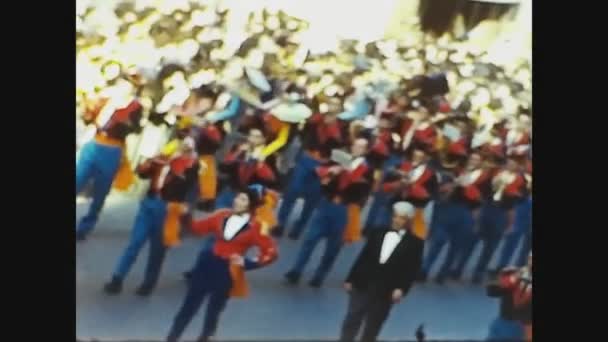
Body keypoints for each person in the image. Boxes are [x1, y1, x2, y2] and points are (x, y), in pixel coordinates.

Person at [166, 186, 278, 342]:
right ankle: (172, 337)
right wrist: (185, 215)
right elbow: (196, 228)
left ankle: (206, 336)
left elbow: (271, 252)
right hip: (207, 264)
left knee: (214, 309)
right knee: (188, 306)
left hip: (227, 271)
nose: (237, 201)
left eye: (243, 199)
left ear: (251, 205)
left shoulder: (258, 227)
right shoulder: (221, 215)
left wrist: (248, 262)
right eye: (238, 197)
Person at [104, 137, 200, 296]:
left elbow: (193, 190)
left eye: (188, 146)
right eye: (181, 142)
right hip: (149, 204)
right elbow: (142, 174)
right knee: (135, 243)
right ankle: (117, 279)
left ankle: (148, 283)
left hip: (168, 209)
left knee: (157, 251)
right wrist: (151, 161)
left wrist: (186, 207)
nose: (183, 147)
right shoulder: (162, 158)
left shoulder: (193, 166)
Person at [284, 137, 372, 287]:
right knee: (310, 239)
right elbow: (321, 172)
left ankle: (320, 275)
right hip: (327, 204)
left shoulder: (366, 169)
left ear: (366, 150)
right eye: (355, 145)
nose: (357, 149)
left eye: (361, 147)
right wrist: (329, 174)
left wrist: (347, 175)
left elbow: (364, 190)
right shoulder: (339, 160)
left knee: (333, 247)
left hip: (344, 208)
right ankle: (296, 270)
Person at [340, 201, 424, 342]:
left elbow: (411, 269)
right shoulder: (377, 232)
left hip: (387, 288)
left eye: (401, 218)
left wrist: (401, 288)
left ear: (408, 221)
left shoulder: (416, 243)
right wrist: (350, 278)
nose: (397, 220)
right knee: (353, 317)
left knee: (374, 323)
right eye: (395, 216)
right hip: (364, 282)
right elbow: (363, 256)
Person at [76, 91, 143, 240]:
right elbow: (88, 118)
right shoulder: (104, 100)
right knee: (78, 180)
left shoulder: (135, 106)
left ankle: (85, 227)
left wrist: (126, 123)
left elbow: (136, 128)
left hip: (113, 149)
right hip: (94, 143)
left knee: (101, 190)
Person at [273, 101, 343, 239]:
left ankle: (298, 229)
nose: (332, 106)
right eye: (331, 103)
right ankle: (279, 224)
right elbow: (304, 130)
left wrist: (334, 168)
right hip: (306, 159)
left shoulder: (342, 126)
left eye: (336, 104)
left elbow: (341, 145)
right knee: (292, 191)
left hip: (324, 163)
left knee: (312, 199)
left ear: (339, 109)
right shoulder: (316, 119)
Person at [486, 252, 532, 341]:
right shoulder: (515, 274)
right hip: (510, 324)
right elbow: (492, 290)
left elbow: (492, 290)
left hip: (510, 324)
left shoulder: (514, 274)